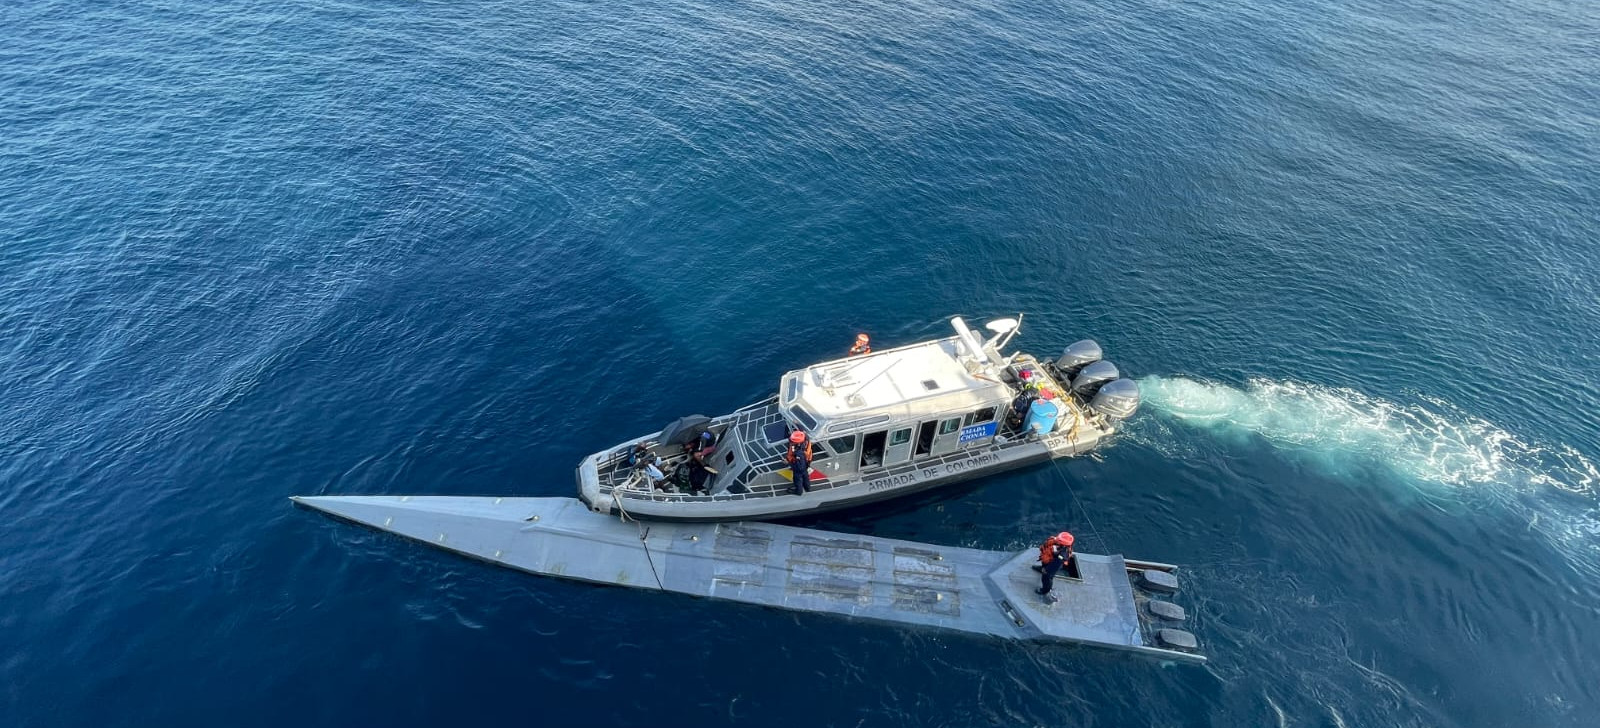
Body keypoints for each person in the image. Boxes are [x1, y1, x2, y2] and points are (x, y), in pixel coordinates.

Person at [1034, 531, 1075, 604]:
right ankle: (1043, 568)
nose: (1057, 540)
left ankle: (1045, 590)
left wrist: (1046, 570)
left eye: (1060, 540)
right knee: (1045, 566)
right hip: (1048, 560)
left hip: (1054, 564)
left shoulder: (1062, 555)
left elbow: (1055, 565)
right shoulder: (1056, 543)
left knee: (1047, 577)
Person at [785, 429, 813, 495]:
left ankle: (799, 492)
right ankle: (807, 488)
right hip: (806, 463)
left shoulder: (799, 453)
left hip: (799, 467)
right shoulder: (806, 440)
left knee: (798, 479)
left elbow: (799, 467)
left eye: (792, 441)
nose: (791, 442)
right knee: (805, 477)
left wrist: (788, 463)